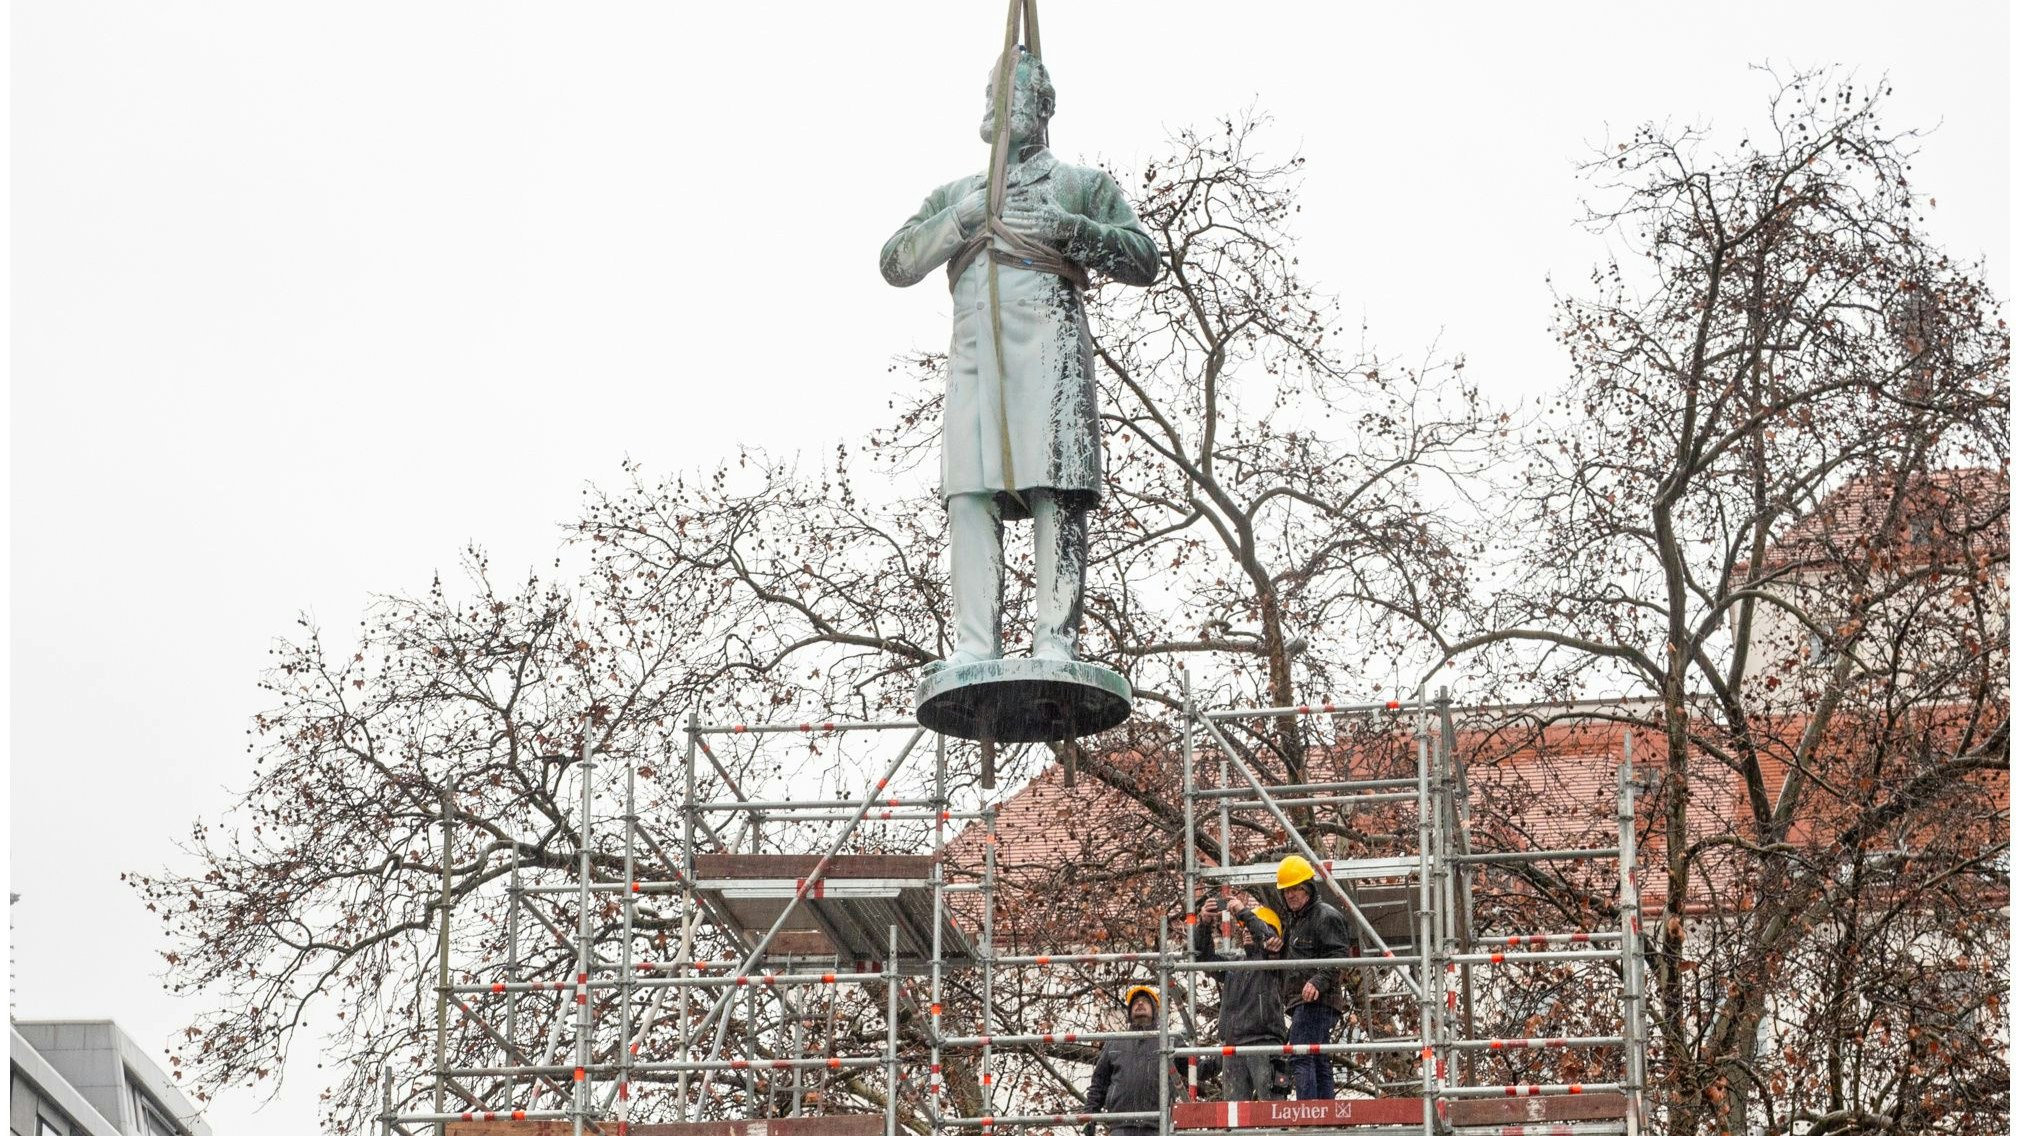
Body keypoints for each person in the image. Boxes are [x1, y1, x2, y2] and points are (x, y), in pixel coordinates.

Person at [880, 50, 1160, 665]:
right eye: (990, 90)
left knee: (1055, 484)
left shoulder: (1080, 184)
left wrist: (1073, 230)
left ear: (1044, 107)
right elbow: (895, 263)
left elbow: (1144, 258)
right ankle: (974, 645)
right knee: (969, 492)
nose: (994, 102)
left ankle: (1055, 640)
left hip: (1050, 349)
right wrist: (962, 219)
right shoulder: (955, 192)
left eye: (1009, 91)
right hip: (976, 355)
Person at [1275, 855, 1356, 1100]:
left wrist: (1317, 982)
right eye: (1287, 891)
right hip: (1306, 1001)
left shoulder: (1325, 917)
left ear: (1308, 889)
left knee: (1301, 1054)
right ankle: (1324, 1115)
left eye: (1296, 889)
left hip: (1316, 1000)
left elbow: (1339, 956)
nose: (1291, 895)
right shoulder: (1296, 921)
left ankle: (1308, 1115)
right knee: (1318, 1057)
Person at [1193, 892, 1289, 1101]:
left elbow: (1269, 938)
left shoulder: (1274, 962)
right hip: (1234, 1046)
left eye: (1250, 927)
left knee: (1272, 1111)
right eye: (1243, 927)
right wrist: (1204, 923)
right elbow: (1203, 958)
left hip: (1264, 1044)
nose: (1246, 931)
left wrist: (1243, 912)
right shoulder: (1234, 965)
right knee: (1234, 1118)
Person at [1084, 985, 1186, 1136]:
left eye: (1145, 1001)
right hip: (1121, 1126)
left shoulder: (1170, 1041)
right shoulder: (1115, 1042)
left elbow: (1197, 1068)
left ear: (1155, 1010)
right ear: (1130, 1012)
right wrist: (1089, 1116)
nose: (1139, 1003)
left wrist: (1223, 1055)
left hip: (1157, 1126)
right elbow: (1099, 1083)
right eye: (1135, 1002)